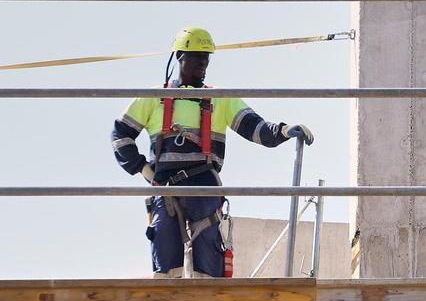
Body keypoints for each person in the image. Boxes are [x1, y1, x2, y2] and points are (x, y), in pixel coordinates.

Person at [111, 27, 314, 278]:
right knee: (164, 260)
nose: (203, 63)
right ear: (180, 56)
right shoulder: (155, 98)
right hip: (166, 188)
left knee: (208, 265)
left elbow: (255, 127)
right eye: (198, 56)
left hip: (204, 187)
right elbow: (120, 133)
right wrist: (143, 168)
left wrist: (283, 131)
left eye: (207, 57)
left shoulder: (220, 98)